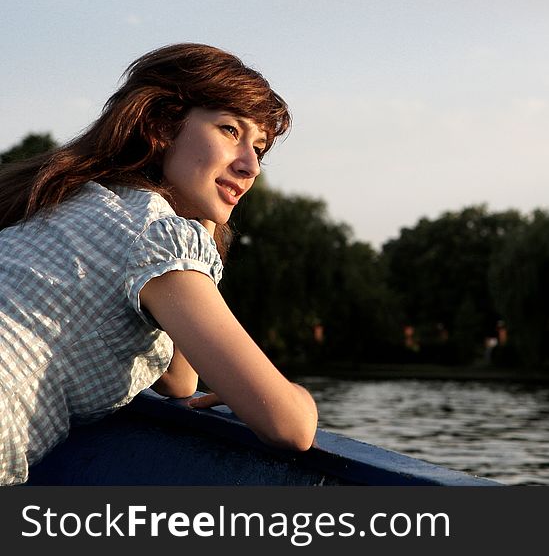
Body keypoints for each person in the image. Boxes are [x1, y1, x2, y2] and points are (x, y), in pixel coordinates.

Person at [0, 43, 318, 485]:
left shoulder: (64, 198)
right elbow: (290, 426)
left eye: (259, 149)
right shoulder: (154, 235)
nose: (251, 167)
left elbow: (177, 380)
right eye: (230, 130)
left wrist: (202, 226)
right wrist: (300, 397)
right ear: (161, 125)